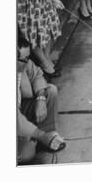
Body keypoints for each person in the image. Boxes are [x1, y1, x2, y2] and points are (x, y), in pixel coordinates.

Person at [17, 29, 66, 164]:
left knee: (51, 91)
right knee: (26, 154)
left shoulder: (24, 64)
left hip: (22, 108)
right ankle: (37, 139)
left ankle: (46, 135)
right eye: (24, 59)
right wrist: (40, 135)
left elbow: (37, 74)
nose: (27, 62)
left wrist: (40, 98)